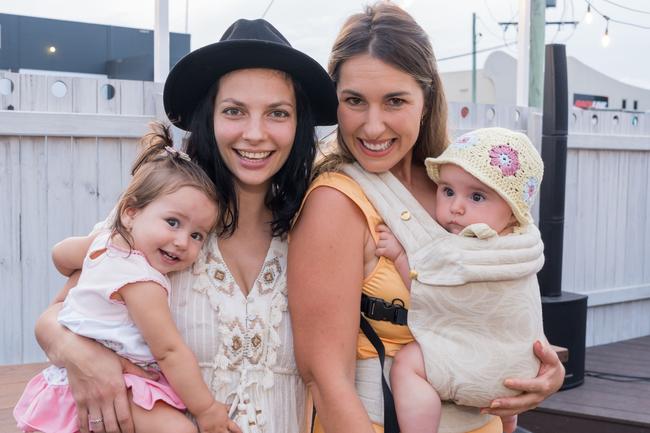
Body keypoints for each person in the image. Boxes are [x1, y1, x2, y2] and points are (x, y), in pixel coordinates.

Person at [32, 18, 337, 433]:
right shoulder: (161, 218)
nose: (254, 133)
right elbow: (54, 317)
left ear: (299, 124)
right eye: (234, 111)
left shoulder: (314, 222)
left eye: (277, 113)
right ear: (207, 117)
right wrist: (79, 354)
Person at [288, 4, 565, 433]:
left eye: (395, 101)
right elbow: (326, 381)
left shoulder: (459, 189)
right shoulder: (336, 202)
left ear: (426, 99)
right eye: (354, 101)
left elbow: (502, 305)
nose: (373, 126)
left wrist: (545, 374)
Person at [14, 127, 235, 433]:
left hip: (66, 380)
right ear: (130, 213)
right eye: (173, 222)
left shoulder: (105, 242)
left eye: (197, 235)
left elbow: (60, 255)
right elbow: (168, 351)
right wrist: (207, 410)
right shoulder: (142, 280)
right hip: (114, 382)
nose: (183, 241)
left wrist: (92, 248)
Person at [371, 127, 546, 433]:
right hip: (522, 370)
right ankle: (509, 421)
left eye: (477, 196)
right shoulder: (524, 243)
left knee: (408, 365)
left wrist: (400, 256)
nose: (456, 207)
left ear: (514, 210)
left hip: (480, 370)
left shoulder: (472, 244)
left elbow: (435, 292)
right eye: (448, 191)